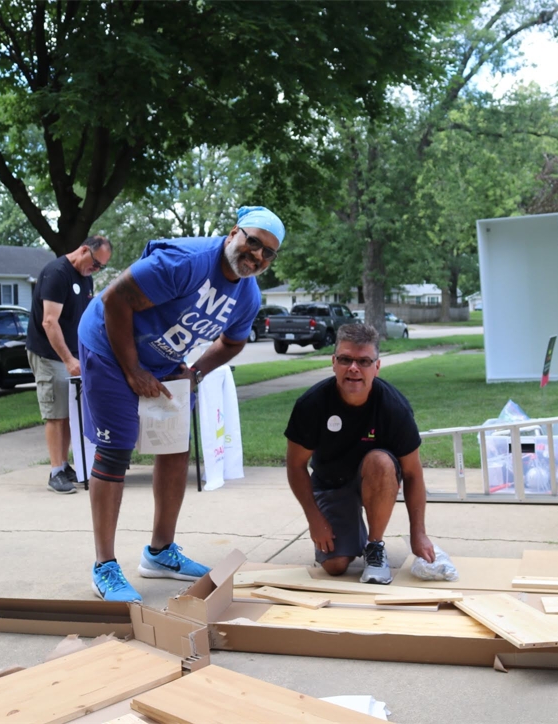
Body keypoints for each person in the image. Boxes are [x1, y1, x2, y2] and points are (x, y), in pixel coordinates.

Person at [78, 206, 285, 601]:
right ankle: (104, 567)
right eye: (252, 241)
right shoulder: (185, 262)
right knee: (116, 448)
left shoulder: (247, 296)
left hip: (162, 360)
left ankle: (159, 553)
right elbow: (114, 301)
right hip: (107, 346)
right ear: (233, 233)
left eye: (268, 252)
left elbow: (234, 341)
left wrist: (194, 371)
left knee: (175, 448)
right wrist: (133, 370)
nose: (257, 255)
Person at [283, 323, 435, 584]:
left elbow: (412, 472)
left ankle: (375, 545)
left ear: (376, 367)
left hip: (377, 477)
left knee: (381, 461)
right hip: (331, 483)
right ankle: (351, 531)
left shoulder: (393, 407)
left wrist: (418, 533)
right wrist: (314, 519)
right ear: (333, 363)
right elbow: (296, 465)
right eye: (345, 359)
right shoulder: (312, 405)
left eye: (364, 361)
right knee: (335, 566)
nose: (353, 368)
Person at [26, 235, 112, 494]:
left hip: (74, 354)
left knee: (71, 413)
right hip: (49, 354)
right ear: (84, 249)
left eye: (101, 268)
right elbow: (49, 322)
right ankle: (55, 471)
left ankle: (65, 465)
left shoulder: (85, 278)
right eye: (96, 264)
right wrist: (67, 359)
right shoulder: (57, 274)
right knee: (56, 414)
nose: (95, 270)